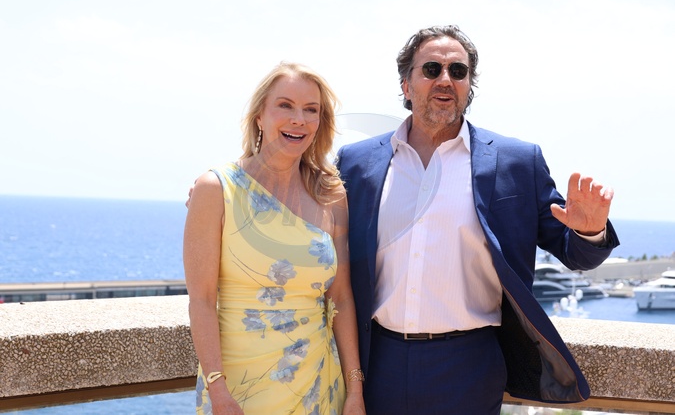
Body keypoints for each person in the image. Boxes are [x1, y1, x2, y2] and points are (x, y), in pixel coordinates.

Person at [335, 25, 619, 414]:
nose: (445, 79)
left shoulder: (517, 162)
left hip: (469, 366)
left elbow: (576, 255)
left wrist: (589, 229)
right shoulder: (356, 162)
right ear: (406, 85)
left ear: (469, 86)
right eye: (431, 69)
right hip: (377, 362)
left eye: (458, 71)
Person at [183, 62, 366, 415]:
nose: (299, 119)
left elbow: (341, 298)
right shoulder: (215, 189)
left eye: (311, 110)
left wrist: (355, 389)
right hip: (238, 391)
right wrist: (218, 391)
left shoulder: (331, 194)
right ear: (259, 117)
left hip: (320, 386)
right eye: (285, 106)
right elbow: (201, 300)